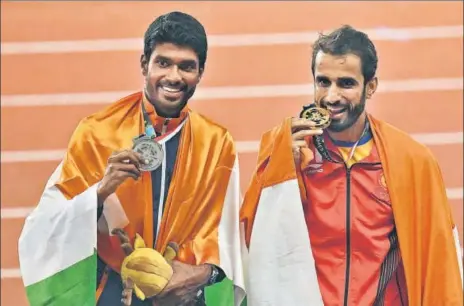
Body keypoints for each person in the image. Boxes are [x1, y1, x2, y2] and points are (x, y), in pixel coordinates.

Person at [18, 11, 246, 306]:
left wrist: (200, 276)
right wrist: (100, 192)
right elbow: (46, 226)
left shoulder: (217, 143)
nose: (174, 77)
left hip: (183, 295)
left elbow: (229, 238)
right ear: (144, 64)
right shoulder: (97, 133)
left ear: (200, 72)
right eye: (163, 63)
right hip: (114, 291)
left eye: (186, 66)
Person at [240, 25, 463, 305]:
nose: (332, 97)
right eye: (323, 82)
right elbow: (254, 244)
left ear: (371, 87)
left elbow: (439, 258)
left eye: (346, 84)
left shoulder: (411, 160)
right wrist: (282, 176)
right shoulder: (286, 150)